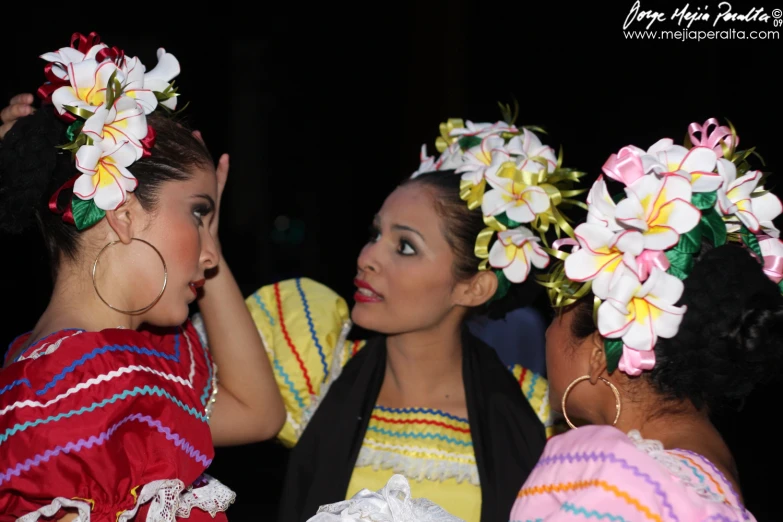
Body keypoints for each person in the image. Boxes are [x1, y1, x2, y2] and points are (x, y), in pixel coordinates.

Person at [192, 115, 586, 522]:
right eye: (375, 235)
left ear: (474, 287)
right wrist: (209, 250)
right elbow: (191, 411)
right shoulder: (318, 376)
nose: (367, 258)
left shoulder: (537, 414)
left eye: (406, 247)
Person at [0, 32, 284, 521]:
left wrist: (203, 234)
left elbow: (260, 414)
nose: (210, 254)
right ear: (124, 214)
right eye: (197, 213)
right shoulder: (63, 390)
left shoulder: (129, 366)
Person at [509, 118, 783, 521]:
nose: (549, 331)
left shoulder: (608, 479)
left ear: (600, 352)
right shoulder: (713, 473)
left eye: (558, 311)